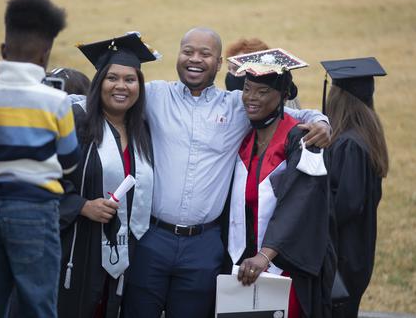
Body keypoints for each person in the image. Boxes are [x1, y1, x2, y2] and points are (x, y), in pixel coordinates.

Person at [122, 27, 331, 318]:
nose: (195, 59)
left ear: (219, 63)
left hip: (204, 244)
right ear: (178, 55)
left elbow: (292, 113)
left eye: (205, 54)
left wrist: (322, 121)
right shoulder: (155, 96)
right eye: (188, 51)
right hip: (153, 238)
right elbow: (103, 101)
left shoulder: (238, 106)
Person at [0, 0, 80, 317]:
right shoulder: (56, 102)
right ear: (45, 56)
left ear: (3, 50)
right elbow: (70, 163)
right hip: (35, 210)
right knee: (38, 302)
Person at [220, 50, 335, 318]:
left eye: (262, 92)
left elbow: (300, 204)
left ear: (283, 96)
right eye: (248, 89)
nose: (251, 98)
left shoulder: (302, 141)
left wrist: (265, 256)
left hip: (284, 267)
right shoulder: (245, 136)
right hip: (243, 264)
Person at [57, 33, 156, 318]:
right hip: (78, 245)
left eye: (130, 79)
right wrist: (82, 206)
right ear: (99, 82)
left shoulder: (144, 131)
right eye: (112, 78)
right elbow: (42, 179)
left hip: (125, 251)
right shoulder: (76, 120)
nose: (121, 86)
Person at [321, 57, 389, 318]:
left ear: (338, 98)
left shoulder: (349, 144)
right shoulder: (366, 135)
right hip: (358, 251)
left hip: (342, 256)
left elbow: (347, 204)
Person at [224, 37, 301, 109]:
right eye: (229, 69)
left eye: (237, 69)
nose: (231, 75)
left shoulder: (282, 99)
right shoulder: (229, 105)